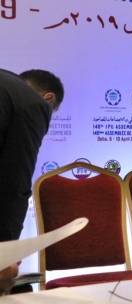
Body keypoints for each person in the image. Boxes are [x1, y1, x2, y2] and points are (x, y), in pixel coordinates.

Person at [0, 69, 64, 242]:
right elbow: (15, 181)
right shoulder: (33, 103)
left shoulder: (6, 83)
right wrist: (7, 247)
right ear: (48, 98)